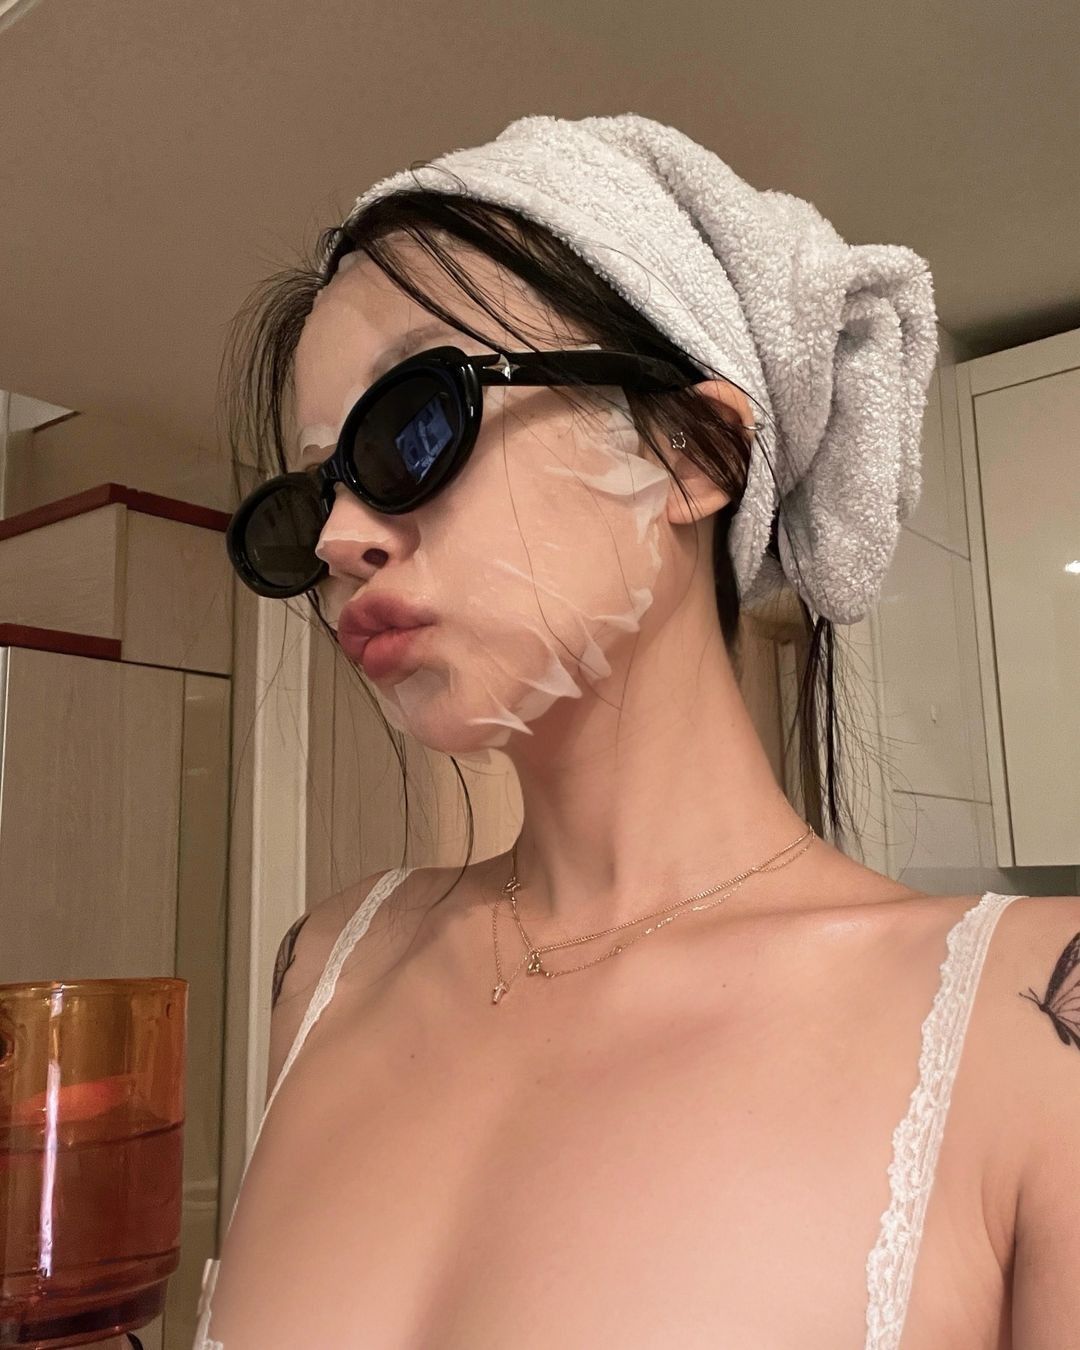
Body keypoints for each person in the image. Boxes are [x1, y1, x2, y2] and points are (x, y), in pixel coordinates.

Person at [196, 115, 1079, 1347]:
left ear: (694, 450)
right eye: (311, 498)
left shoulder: (1035, 1026)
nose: (341, 540)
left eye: (414, 424)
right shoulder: (327, 967)